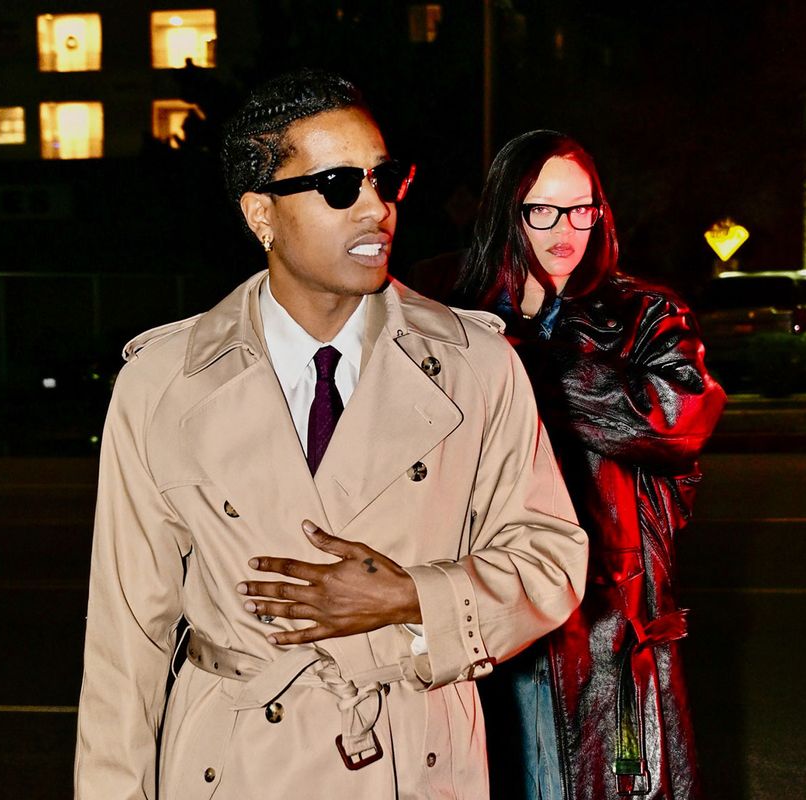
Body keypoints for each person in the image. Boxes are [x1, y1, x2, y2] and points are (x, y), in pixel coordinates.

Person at [74, 71, 589, 799]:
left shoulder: (477, 367)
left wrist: (414, 597)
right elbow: (126, 645)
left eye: (386, 179)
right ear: (262, 215)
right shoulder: (164, 383)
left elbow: (550, 559)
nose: (377, 209)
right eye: (340, 185)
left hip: (415, 754)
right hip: (236, 763)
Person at [449, 130, 726, 799]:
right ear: (506, 213)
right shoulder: (458, 321)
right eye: (541, 210)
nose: (565, 228)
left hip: (608, 631)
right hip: (492, 619)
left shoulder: (644, 314)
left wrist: (538, 355)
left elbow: (674, 417)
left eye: (582, 209)